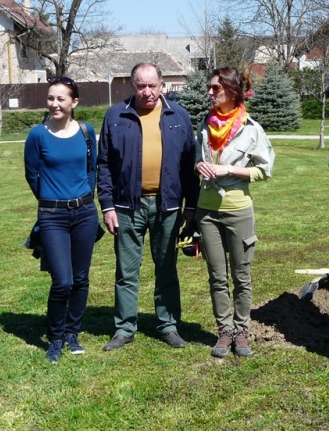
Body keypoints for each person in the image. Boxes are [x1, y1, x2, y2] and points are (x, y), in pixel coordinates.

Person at [97, 62, 199, 351]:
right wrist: (107, 206)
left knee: (166, 268)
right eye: (141, 85)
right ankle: (124, 328)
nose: (147, 91)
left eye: (152, 85)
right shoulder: (115, 116)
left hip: (167, 207)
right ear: (132, 85)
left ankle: (168, 325)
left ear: (161, 85)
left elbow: (189, 164)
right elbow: (103, 164)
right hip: (127, 207)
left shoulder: (178, 116)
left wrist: (191, 205)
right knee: (126, 272)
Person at [195, 67, 274, 358]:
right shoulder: (205, 124)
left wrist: (229, 169)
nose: (211, 92)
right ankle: (223, 331)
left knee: (241, 277)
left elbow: (265, 170)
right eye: (210, 87)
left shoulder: (250, 128)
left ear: (231, 91)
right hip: (207, 211)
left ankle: (242, 331)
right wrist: (198, 166)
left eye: (216, 88)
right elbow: (196, 158)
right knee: (217, 276)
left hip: (238, 211)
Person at [24, 77, 100, 363]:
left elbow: (92, 168)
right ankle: (54, 338)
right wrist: (49, 199)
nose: (54, 104)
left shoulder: (86, 131)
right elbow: (32, 175)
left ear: (74, 102)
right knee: (63, 281)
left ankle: (72, 333)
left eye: (61, 99)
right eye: (51, 98)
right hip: (52, 215)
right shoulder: (37, 135)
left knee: (80, 279)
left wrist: (85, 197)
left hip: (84, 213)